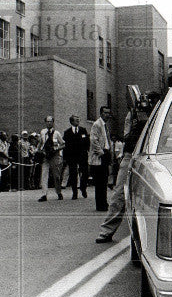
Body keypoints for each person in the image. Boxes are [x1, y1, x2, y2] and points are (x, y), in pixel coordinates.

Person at [95, 101, 152, 243]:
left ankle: (149, 232)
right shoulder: (133, 115)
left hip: (148, 155)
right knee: (119, 194)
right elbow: (127, 136)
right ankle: (106, 230)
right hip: (131, 153)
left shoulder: (157, 115)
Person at [89, 105, 112, 211]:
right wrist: (101, 152)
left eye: (108, 113)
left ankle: (104, 202)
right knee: (100, 182)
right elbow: (94, 140)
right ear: (101, 113)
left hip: (105, 153)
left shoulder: (104, 125)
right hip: (100, 156)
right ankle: (100, 204)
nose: (107, 115)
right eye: (105, 113)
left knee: (104, 181)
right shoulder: (97, 125)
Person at [36, 116, 64, 201]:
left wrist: (56, 149)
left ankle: (58, 192)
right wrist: (39, 151)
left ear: (53, 122)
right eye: (47, 121)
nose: (49, 123)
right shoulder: (43, 132)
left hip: (54, 156)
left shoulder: (56, 133)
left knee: (56, 176)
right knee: (44, 175)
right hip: (45, 156)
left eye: (50, 121)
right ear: (45, 122)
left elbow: (63, 144)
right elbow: (40, 143)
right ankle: (44, 194)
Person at [63, 114, 90, 200]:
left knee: (85, 173)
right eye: (76, 120)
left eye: (78, 120)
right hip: (72, 156)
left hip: (82, 155)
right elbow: (65, 146)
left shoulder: (83, 130)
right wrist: (65, 158)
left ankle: (83, 187)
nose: (78, 121)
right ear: (71, 122)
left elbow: (87, 142)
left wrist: (88, 152)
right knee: (73, 174)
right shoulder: (67, 132)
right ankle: (75, 192)